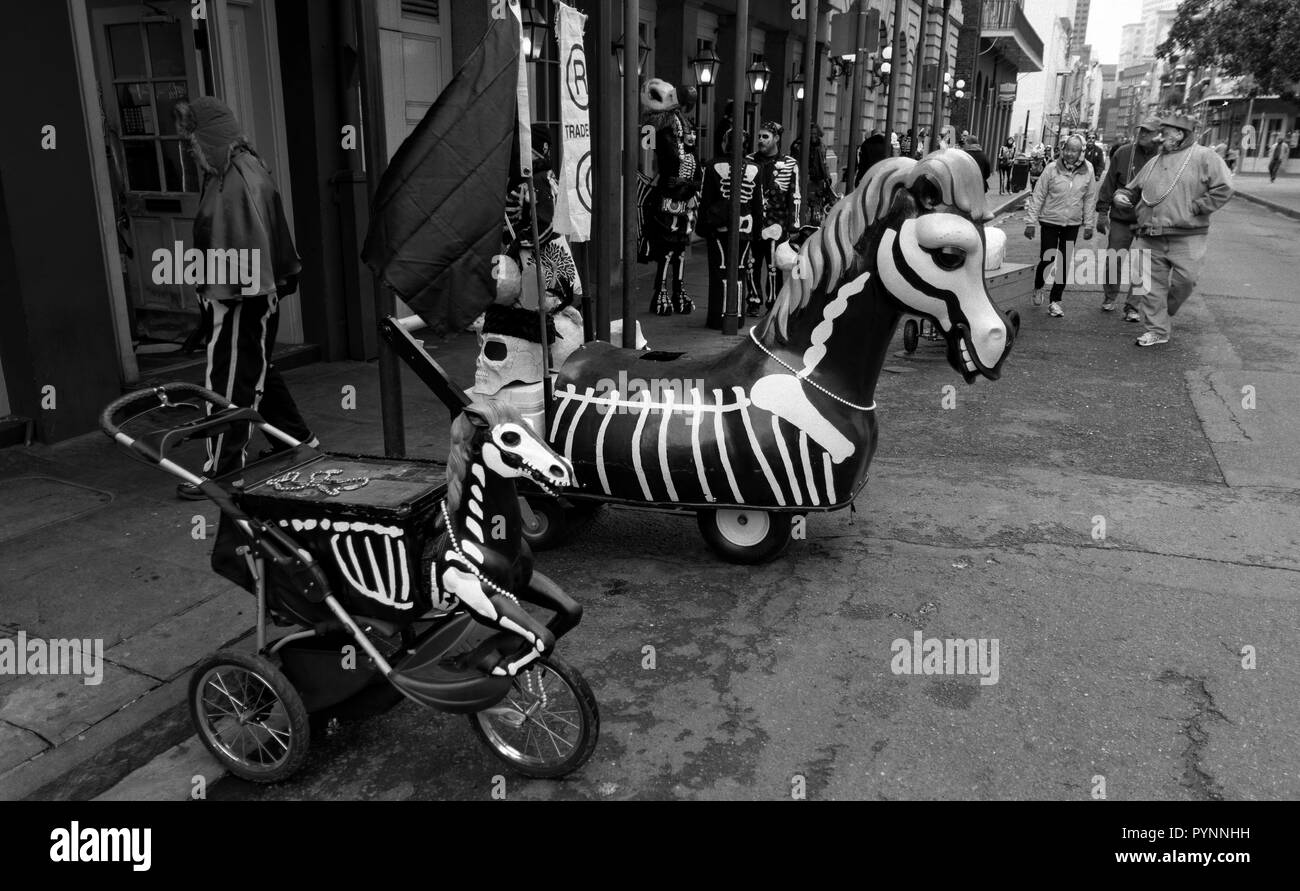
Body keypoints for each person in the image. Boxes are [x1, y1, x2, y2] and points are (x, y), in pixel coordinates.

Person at [172, 97, 316, 500]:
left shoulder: (236, 178)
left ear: (208, 138)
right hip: (243, 296)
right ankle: (298, 439)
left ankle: (223, 472)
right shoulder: (238, 169)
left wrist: (221, 296)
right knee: (255, 369)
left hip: (239, 298)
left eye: (192, 140)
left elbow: (240, 245)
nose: (189, 149)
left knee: (229, 381)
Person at [1126, 113, 1233, 347]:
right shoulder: (1154, 161)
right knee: (1151, 287)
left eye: (1165, 131)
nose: (1160, 135)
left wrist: (1198, 206)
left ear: (1180, 134)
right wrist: (1120, 196)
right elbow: (1132, 189)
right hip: (1149, 235)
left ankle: (1162, 312)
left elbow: (1224, 187)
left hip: (1188, 236)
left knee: (1186, 281)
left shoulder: (1205, 156)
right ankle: (1157, 330)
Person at [637, 79, 700, 315]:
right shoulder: (656, 125)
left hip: (683, 192)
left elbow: (689, 155)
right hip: (666, 191)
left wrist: (691, 182)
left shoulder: (682, 124)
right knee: (668, 246)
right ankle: (661, 289)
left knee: (681, 245)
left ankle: (678, 289)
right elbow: (647, 155)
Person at [1024, 134, 1097, 318]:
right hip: (1050, 220)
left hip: (1072, 224)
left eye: (1075, 150)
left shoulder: (1088, 170)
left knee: (1064, 262)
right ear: (1063, 150)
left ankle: (1055, 301)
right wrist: (1031, 222)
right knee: (1047, 259)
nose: (1071, 154)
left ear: (1081, 152)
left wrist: (1089, 224)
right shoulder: (1051, 169)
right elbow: (1038, 195)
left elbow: (1089, 198)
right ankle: (1039, 286)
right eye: (1068, 150)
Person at [1096, 118, 1162, 320]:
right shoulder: (1123, 153)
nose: (1142, 134)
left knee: (1143, 265)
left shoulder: (1165, 158)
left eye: (1147, 132)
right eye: (1140, 130)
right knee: (1113, 259)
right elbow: (1108, 184)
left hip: (1149, 220)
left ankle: (1133, 306)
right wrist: (1102, 212)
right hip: (1121, 218)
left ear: (1158, 135)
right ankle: (1110, 296)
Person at [698, 130, 760, 329]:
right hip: (745, 226)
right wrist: (757, 232)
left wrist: (702, 227)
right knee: (740, 271)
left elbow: (705, 200)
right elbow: (758, 204)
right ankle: (737, 316)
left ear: (725, 142)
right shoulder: (755, 168)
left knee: (719, 271)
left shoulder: (713, 166)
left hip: (719, 227)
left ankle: (720, 316)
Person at [746, 120, 800, 317]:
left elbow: (795, 194)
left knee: (773, 265)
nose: (760, 140)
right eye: (759, 136)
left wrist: (794, 225)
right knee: (751, 264)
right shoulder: (749, 160)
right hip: (752, 221)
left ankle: (773, 302)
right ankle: (753, 300)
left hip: (776, 221)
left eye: (765, 137)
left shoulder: (790, 163)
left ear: (776, 138)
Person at [790, 123, 837, 226]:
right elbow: (794, 164)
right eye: (811, 133)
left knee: (817, 210)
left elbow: (824, 163)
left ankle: (814, 227)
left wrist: (828, 177)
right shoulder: (798, 146)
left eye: (815, 133)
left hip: (818, 181)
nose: (813, 135)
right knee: (803, 209)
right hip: (804, 181)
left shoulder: (822, 146)